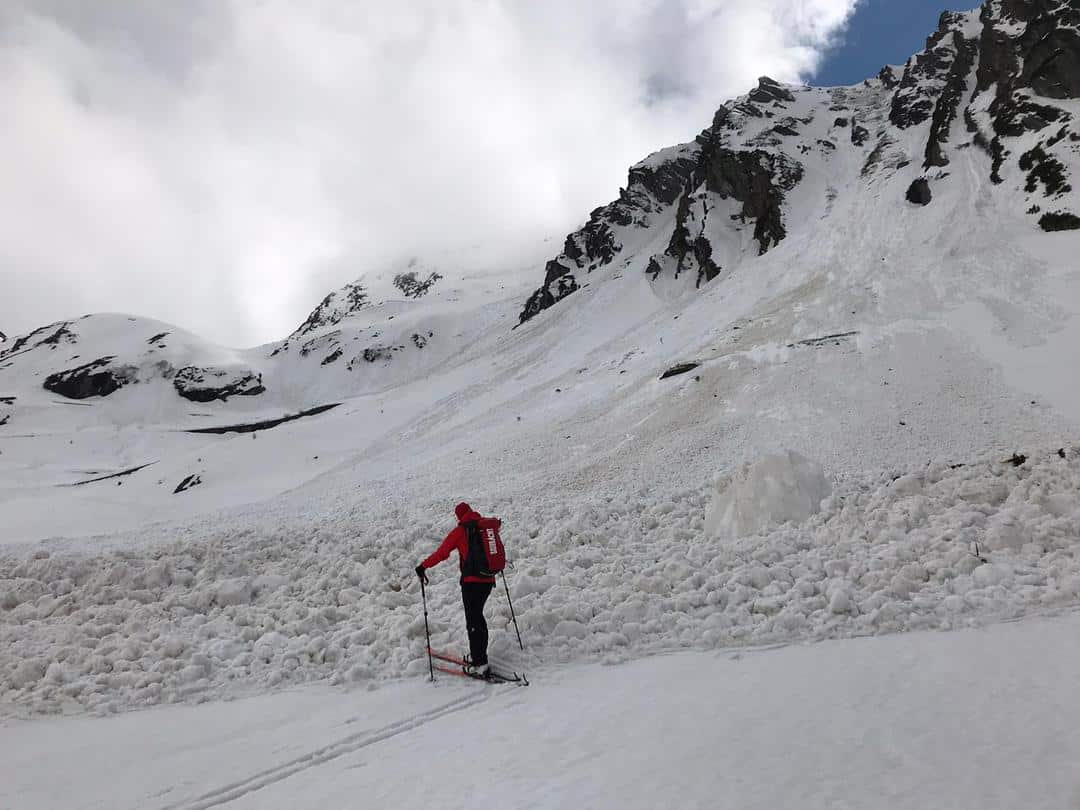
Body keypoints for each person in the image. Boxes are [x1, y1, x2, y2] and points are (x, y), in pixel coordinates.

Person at [416, 502, 501, 676]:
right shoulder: (485, 527)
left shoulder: (461, 531)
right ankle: (479, 657)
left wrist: (423, 566)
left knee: (474, 621)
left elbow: (442, 552)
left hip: (471, 583)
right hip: (488, 580)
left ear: (459, 516)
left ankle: (480, 663)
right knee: (478, 618)